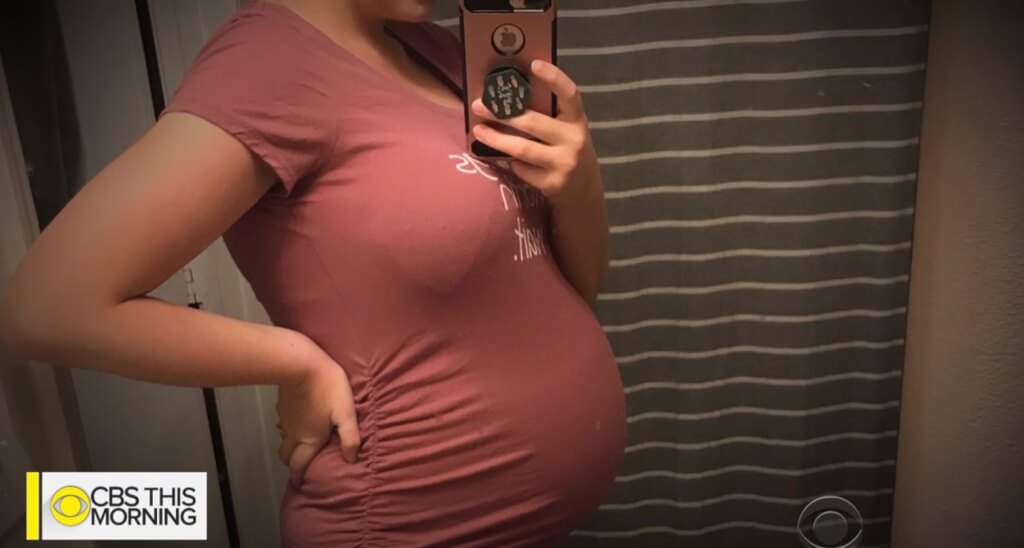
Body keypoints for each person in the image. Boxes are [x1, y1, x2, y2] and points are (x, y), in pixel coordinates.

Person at [0, 0, 627, 545]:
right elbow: (46, 306)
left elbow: (577, 286)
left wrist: (579, 180)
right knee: (56, 513)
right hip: (406, 522)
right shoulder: (268, 62)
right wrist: (293, 361)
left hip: (528, 524)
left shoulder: (442, 49)